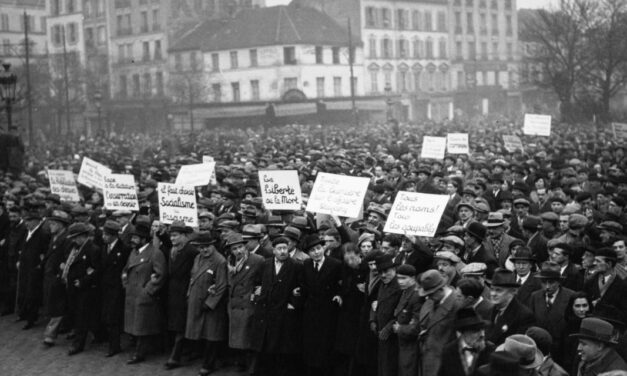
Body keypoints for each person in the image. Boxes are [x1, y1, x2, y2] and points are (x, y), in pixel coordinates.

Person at [250, 236, 303, 376]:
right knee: (264, 345)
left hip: (284, 313)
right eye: (279, 249)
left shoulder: (296, 266)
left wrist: (293, 304)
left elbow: (301, 288)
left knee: (281, 347)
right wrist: (258, 292)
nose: (283, 251)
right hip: (266, 312)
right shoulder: (265, 264)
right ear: (273, 250)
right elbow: (256, 282)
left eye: (285, 248)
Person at [122, 221, 167, 364]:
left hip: (143, 296)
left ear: (144, 239)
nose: (132, 241)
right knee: (135, 324)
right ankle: (139, 349)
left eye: (135, 238)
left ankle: (140, 353)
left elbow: (160, 275)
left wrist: (147, 291)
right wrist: (126, 284)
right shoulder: (133, 252)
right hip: (132, 294)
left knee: (142, 326)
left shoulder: (155, 253)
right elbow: (126, 269)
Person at [185, 232, 228, 376]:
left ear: (213, 245)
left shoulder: (219, 261)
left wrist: (210, 303)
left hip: (211, 305)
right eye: (201, 247)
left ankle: (209, 365)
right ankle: (206, 360)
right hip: (197, 300)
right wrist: (189, 295)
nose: (204, 250)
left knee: (212, 336)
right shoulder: (198, 258)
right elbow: (193, 278)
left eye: (207, 246)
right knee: (201, 333)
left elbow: (221, 285)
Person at [227, 231, 264, 372]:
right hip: (234, 304)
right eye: (234, 249)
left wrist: (256, 294)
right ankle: (241, 362)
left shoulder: (257, 260)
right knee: (238, 338)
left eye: (240, 247)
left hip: (248, 304)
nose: (238, 251)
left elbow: (262, 281)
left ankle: (252, 367)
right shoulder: (229, 262)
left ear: (245, 246)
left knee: (249, 337)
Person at [64, 223, 102, 355]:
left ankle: (78, 344)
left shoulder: (93, 249)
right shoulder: (74, 247)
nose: (73, 240)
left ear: (83, 236)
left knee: (82, 317)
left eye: (75, 237)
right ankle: (99, 335)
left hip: (85, 289)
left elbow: (96, 270)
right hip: (74, 288)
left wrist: (83, 281)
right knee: (81, 314)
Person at [164, 221, 198, 370]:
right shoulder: (172, 250)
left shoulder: (191, 251)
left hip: (185, 292)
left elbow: (195, 272)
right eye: (171, 236)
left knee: (181, 326)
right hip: (173, 292)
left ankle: (175, 357)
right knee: (176, 324)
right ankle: (186, 351)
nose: (172, 239)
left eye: (176, 235)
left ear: (184, 236)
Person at [417, 269, 463, 375]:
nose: (428, 297)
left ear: (441, 289)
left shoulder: (457, 305)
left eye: (431, 294)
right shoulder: (437, 300)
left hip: (443, 365)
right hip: (431, 359)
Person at [528, 261, 575, 364]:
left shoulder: (571, 296)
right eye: (544, 282)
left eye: (551, 282)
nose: (547, 286)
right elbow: (530, 322)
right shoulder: (535, 297)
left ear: (559, 282)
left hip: (562, 351)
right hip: (540, 351)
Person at [99, 219, 130, 357]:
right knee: (107, 316)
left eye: (106, 234)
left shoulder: (123, 249)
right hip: (105, 287)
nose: (103, 237)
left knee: (114, 318)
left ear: (113, 235)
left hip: (117, 288)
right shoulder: (104, 247)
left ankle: (114, 346)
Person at [41, 210, 72, 346]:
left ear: (61, 225)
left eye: (54, 223)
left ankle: (50, 335)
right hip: (50, 276)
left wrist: (61, 274)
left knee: (58, 307)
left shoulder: (66, 239)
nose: (50, 225)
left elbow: (67, 259)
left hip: (57, 278)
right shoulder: (54, 237)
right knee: (55, 305)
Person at [17, 209, 50, 329]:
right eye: (26, 220)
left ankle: (31, 318)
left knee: (32, 294)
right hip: (26, 267)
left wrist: (39, 266)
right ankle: (24, 313)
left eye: (29, 221)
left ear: (36, 221)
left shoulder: (42, 234)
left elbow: (45, 253)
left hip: (34, 269)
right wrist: (20, 260)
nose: (27, 223)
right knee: (24, 291)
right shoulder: (27, 233)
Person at [438, 308, 495, 376]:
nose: (482, 335)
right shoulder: (448, 351)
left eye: (482, 330)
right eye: (475, 331)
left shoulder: (490, 350)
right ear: (461, 333)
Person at [486, 268, 535, 345]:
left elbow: (517, 347)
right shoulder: (489, 311)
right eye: (492, 289)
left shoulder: (524, 315)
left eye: (498, 290)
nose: (493, 294)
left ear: (513, 291)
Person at [371, 254, 402, 376]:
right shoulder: (382, 284)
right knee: (382, 364)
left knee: (390, 366)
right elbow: (375, 304)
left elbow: (401, 311)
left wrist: (388, 328)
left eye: (386, 271)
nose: (383, 275)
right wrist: (372, 320)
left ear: (394, 270)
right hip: (380, 332)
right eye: (380, 272)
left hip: (392, 335)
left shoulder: (399, 287)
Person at [391, 264, 421, 376]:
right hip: (403, 343)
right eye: (398, 278)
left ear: (413, 278)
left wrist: (400, 329)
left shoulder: (416, 295)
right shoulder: (405, 292)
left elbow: (417, 326)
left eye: (404, 278)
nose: (400, 281)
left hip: (411, 345)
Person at [584, 248, 627, 322]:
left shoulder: (622, 285)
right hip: (590, 323)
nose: (594, 263)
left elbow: (624, 313)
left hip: (611, 325)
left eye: (598, 261)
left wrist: (601, 306)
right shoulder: (590, 281)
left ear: (609, 264)